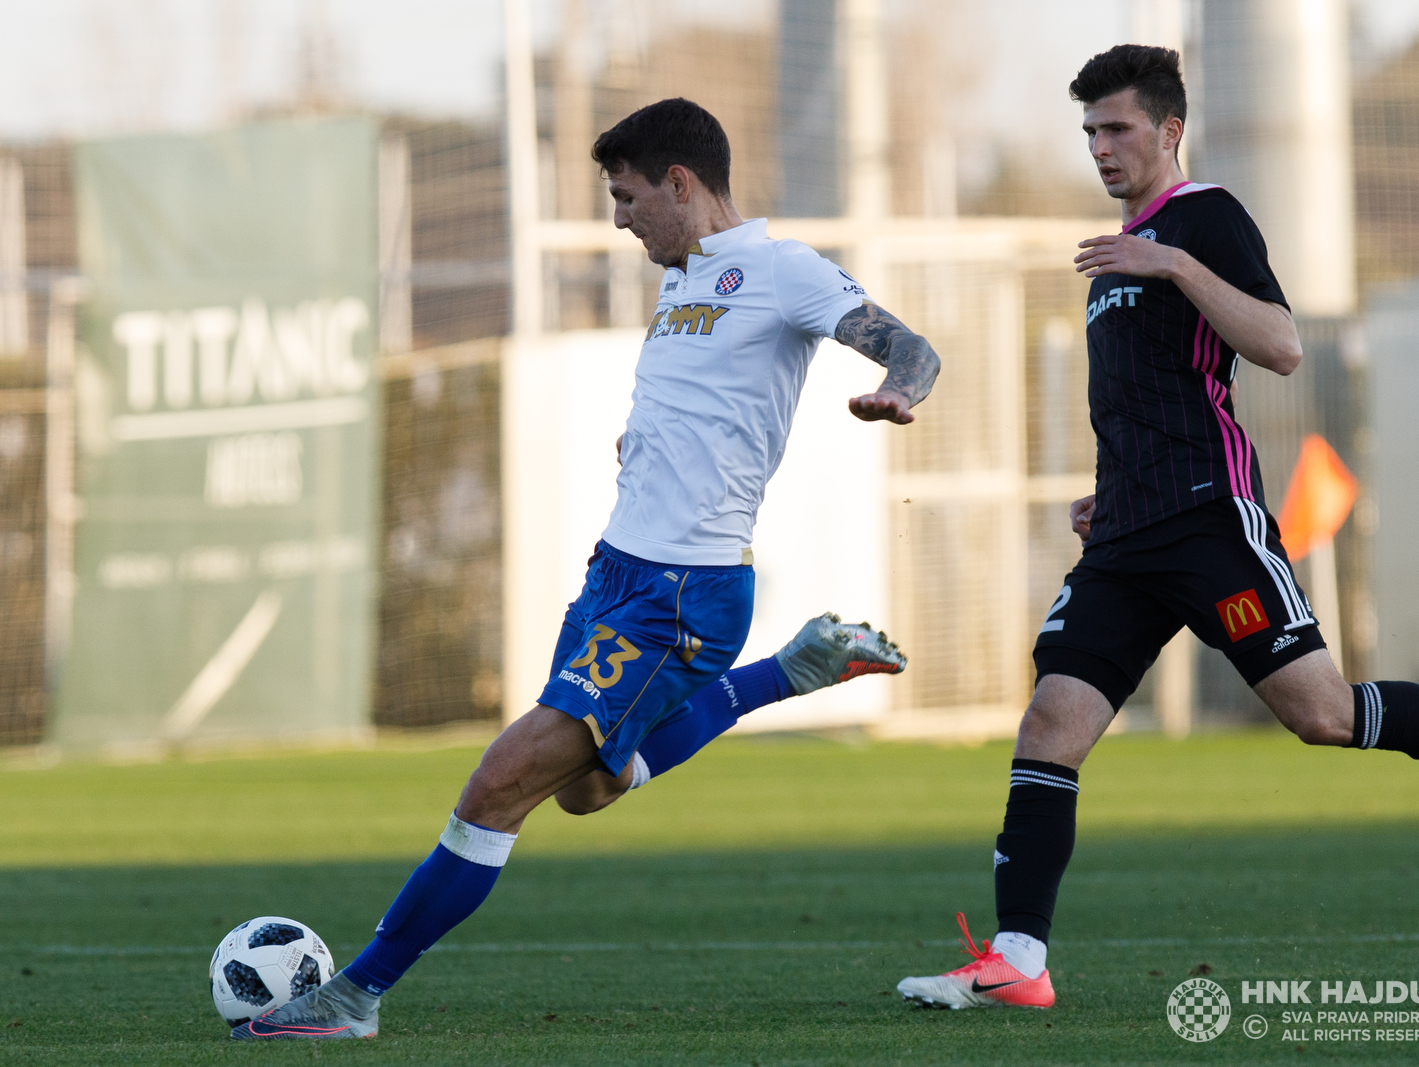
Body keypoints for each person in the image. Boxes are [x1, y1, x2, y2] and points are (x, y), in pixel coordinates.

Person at [896, 44, 1419, 1012]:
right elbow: (1153, 394)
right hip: (1127, 534)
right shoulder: (1112, 260)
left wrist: (1175, 261)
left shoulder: (1202, 220)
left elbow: (1278, 344)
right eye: (1089, 131)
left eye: (1117, 128)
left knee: (1320, 714)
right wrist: (1109, 489)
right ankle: (1019, 957)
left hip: (1206, 520)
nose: (1100, 147)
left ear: (1168, 130)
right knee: (1050, 722)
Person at [234, 97, 938, 1040]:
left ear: (679, 184)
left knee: (498, 782)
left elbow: (911, 345)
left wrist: (897, 389)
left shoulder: (783, 270)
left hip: (684, 596)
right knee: (584, 787)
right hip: (618, 572)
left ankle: (353, 996)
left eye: (627, 195)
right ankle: (793, 669)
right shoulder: (683, 277)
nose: (618, 218)